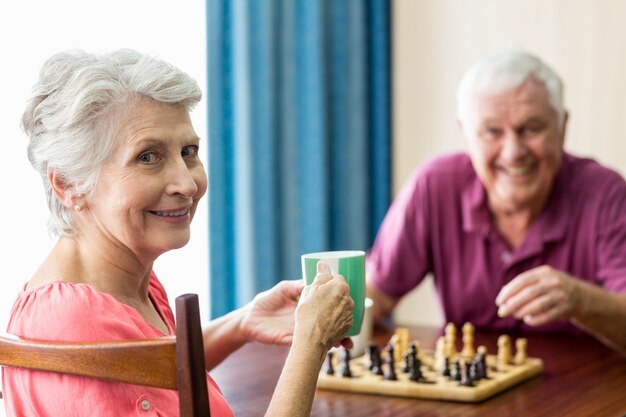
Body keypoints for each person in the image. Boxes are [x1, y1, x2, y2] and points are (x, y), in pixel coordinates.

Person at [2, 49, 354, 417]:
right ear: (70, 184)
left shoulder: (125, 282)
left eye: (188, 151)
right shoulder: (73, 319)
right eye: (147, 156)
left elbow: (148, 372)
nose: (186, 184)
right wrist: (310, 342)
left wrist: (242, 323)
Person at [366, 49, 626, 353]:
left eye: (531, 128)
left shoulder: (605, 193)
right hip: (472, 389)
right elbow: (377, 295)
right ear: (466, 135)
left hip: (587, 392)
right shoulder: (434, 186)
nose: (513, 152)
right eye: (492, 132)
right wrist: (314, 322)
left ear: (562, 126)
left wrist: (582, 301)